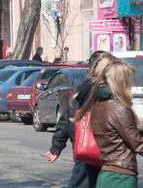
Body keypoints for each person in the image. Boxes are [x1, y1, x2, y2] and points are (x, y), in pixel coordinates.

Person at [74, 55, 143, 187]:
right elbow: (137, 143)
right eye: (127, 78)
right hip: (121, 176)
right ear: (120, 81)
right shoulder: (119, 108)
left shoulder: (99, 104)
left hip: (106, 172)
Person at [45, 51, 107, 187]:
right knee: (83, 181)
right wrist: (57, 146)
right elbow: (70, 115)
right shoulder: (93, 85)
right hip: (91, 145)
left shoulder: (84, 83)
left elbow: (67, 115)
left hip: (84, 145)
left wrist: (57, 146)